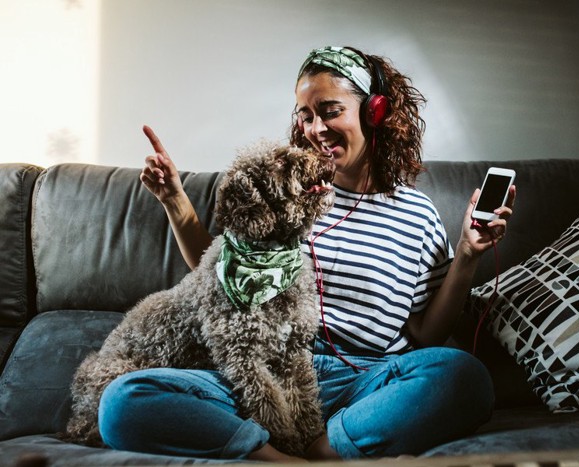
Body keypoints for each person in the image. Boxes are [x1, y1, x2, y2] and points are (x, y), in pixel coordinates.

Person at [98, 46, 516, 461]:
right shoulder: (287, 193)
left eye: (330, 110)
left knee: (464, 376)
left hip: (363, 382)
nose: (316, 128)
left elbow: (425, 334)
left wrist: (466, 253)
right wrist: (174, 197)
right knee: (122, 400)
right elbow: (222, 271)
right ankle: (282, 458)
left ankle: (326, 449)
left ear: (374, 112)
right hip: (269, 371)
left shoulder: (417, 215)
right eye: (306, 114)